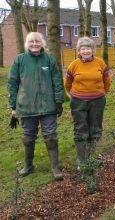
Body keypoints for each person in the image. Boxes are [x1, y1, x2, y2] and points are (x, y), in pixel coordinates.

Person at [7, 32, 64, 181]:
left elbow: (57, 82)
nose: (34, 44)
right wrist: (13, 106)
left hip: (48, 107)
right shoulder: (20, 60)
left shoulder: (49, 60)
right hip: (26, 106)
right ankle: (28, 166)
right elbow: (12, 83)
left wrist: (58, 102)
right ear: (27, 44)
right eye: (31, 42)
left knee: (51, 137)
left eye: (37, 41)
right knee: (28, 138)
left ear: (42, 43)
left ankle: (55, 167)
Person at [64, 37, 111, 170]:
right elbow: (67, 84)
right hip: (78, 102)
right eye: (83, 48)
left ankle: (90, 158)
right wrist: (75, 95)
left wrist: (100, 93)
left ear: (93, 50)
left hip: (97, 101)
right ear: (79, 50)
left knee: (95, 130)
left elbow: (107, 81)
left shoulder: (100, 63)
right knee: (80, 130)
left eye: (88, 48)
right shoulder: (74, 65)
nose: (85, 51)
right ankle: (81, 161)